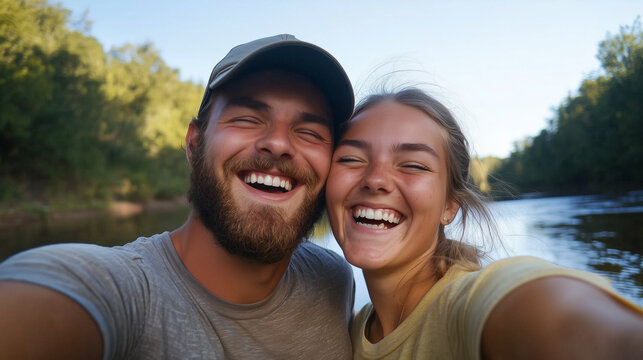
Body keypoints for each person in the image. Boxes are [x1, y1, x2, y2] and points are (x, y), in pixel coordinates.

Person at [0, 34, 356, 359]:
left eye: (309, 132)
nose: (278, 143)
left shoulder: (332, 278)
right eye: (247, 118)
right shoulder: (120, 289)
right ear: (194, 143)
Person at [325, 87, 643, 359]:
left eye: (412, 165)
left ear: (449, 207)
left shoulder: (469, 304)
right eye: (351, 159)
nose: (376, 179)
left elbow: (562, 319)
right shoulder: (345, 330)